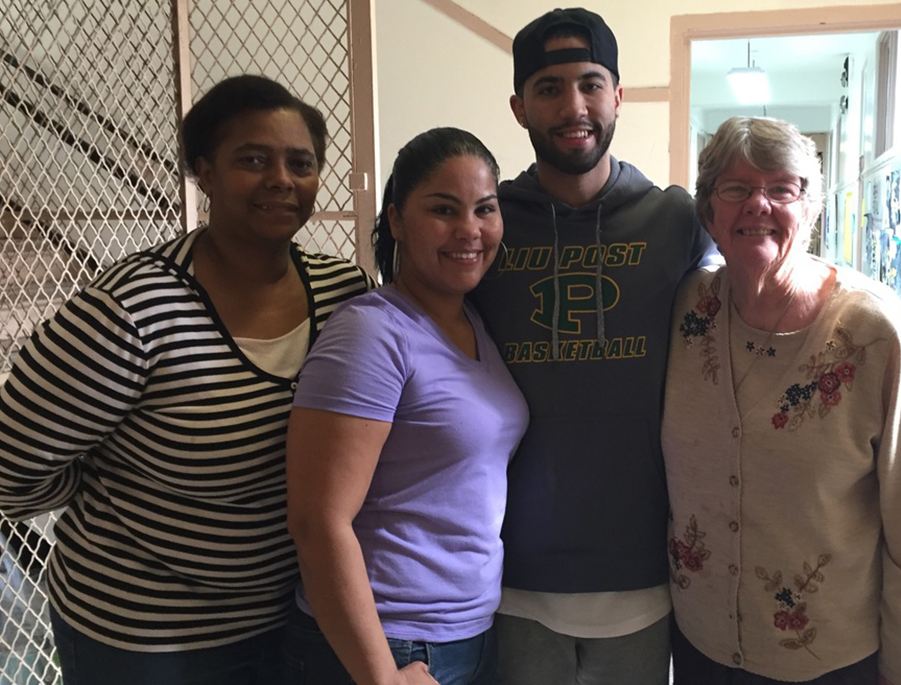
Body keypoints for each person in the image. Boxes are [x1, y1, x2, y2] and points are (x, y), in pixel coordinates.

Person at [0, 74, 374, 684]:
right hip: (143, 635)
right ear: (204, 171)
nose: (282, 179)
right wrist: (119, 500)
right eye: (253, 160)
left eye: (300, 163)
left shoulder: (345, 295)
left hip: (294, 615)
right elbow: (11, 470)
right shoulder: (132, 310)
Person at [469, 8, 716, 684]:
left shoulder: (677, 221)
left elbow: (761, 287)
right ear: (519, 106)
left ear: (617, 97)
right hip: (510, 575)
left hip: (642, 573)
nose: (572, 105)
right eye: (548, 87)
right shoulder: (486, 226)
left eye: (590, 83)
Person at [661, 116, 901, 685]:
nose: (758, 205)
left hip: (830, 662)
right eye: (736, 188)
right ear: (709, 213)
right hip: (700, 649)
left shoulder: (875, 332)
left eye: (781, 188)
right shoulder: (686, 308)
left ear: (810, 207)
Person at [283, 127, 529, 685]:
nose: (469, 229)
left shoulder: (474, 323)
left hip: (466, 633)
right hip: (385, 643)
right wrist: (380, 676)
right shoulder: (372, 332)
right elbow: (317, 520)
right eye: (443, 209)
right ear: (396, 220)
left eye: (484, 209)